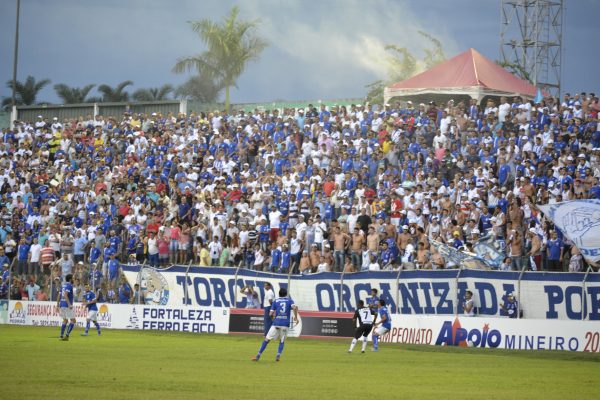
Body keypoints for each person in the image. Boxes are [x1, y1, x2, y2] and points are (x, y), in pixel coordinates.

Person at [252, 287, 299, 362]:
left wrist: (274, 318)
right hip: (285, 324)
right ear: (286, 294)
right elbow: (295, 308)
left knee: (267, 339)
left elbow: (270, 313)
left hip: (276, 323)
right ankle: (278, 355)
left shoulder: (275, 301)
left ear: (279, 294)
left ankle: (258, 355)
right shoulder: (290, 301)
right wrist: (296, 318)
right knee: (282, 341)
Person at [58, 273, 76, 341]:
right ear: (70, 279)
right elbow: (65, 295)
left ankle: (61, 335)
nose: (74, 279)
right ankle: (67, 335)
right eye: (73, 278)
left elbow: (59, 295)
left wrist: (57, 304)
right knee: (73, 320)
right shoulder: (69, 285)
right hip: (66, 305)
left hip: (62, 304)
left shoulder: (63, 285)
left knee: (65, 320)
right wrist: (69, 304)